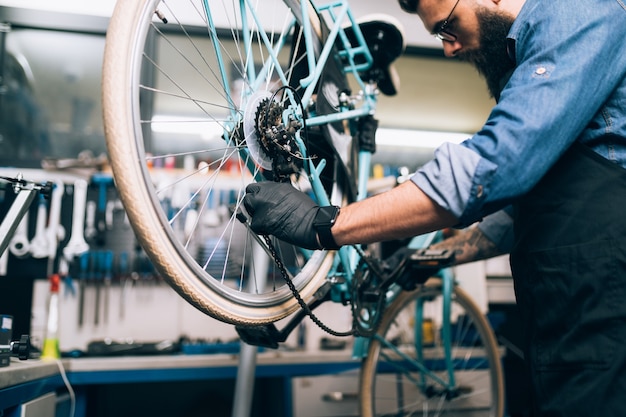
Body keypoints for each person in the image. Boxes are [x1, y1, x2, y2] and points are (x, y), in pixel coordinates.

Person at [243, 0, 626, 415]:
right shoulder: (540, 51)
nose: (448, 48)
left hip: (603, 313)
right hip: (568, 317)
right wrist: (432, 258)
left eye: (447, 27)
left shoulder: (580, 11)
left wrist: (328, 223)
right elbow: (528, 212)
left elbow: (496, 165)